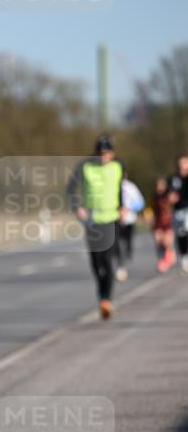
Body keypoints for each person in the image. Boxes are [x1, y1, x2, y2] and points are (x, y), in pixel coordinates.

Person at [67, 134, 124, 319]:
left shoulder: (119, 166)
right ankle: (101, 294)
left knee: (106, 259)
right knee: (95, 261)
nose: (104, 157)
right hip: (92, 219)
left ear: (113, 154)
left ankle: (106, 299)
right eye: (101, 153)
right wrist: (78, 208)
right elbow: (71, 188)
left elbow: (122, 188)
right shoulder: (86, 166)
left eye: (107, 154)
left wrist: (123, 206)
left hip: (111, 217)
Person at [114, 172, 145, 282]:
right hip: (114, 220)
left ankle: (126, 256)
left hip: (129, 220)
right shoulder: (111, 185)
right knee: (116, 243)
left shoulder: (131, 187)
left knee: (127, 243)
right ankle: (120, 265)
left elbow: (140, 203)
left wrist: (128, 208)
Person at [168, 155, 188, 273]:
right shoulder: (174, 179)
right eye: (180, 163)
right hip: (178, 210)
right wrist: (171, 197)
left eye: (184, 163)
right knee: (181, 234)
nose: (182, 166)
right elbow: (170, 193)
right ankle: (184, 258)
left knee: (186, 227)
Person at [151, 177, 175, 272]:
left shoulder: (168, 196)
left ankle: (169, 256)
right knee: (158, 240)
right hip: (158, 222)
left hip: (168, 222)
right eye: (158, 185)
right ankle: (161, 260)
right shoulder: (155, 196)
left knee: (167, 242)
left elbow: (174, 202)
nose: (159, 187)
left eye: (161, 185)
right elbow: (150, 209)